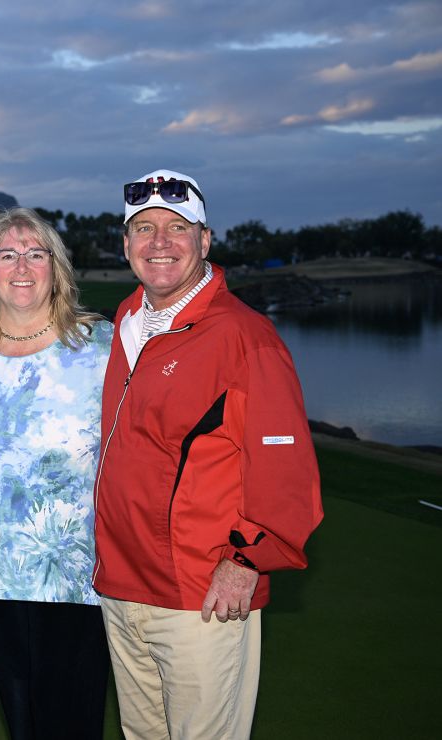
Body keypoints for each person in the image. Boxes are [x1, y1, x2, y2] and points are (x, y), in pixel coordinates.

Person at [93, 169, 324, 739]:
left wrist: (247, 560)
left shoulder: (246, 337)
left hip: (202, 593)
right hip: (122, 585)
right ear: (126, 245)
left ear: (205, 240)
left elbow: (286, 471)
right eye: (144, 229)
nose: (160, 243)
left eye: (178, 227)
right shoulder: (125, 322)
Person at [0, 207, 112, 739]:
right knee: (23, 726)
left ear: (55, 268)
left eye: (35, 253)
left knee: (72, 724)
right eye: (7, 254)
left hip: (76, 581)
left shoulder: (101, 348)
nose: (21, 266)